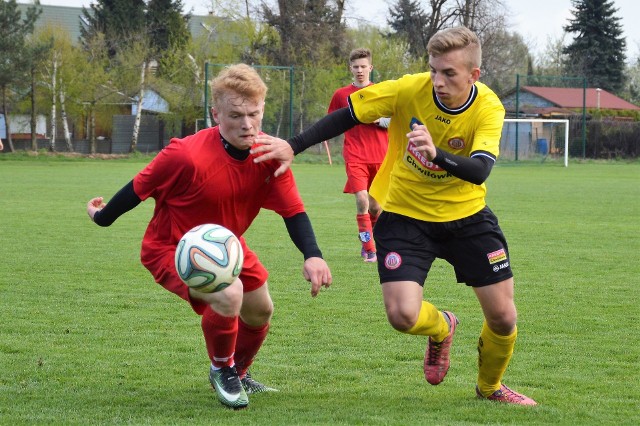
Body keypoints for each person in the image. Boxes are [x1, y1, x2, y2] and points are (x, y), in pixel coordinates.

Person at [251, 27, 537, 406]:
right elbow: (347, 115)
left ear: (474, 75)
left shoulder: (489, 106)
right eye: (434, 70)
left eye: (449, 73)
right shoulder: (408, 89)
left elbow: (480, 169)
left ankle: (489, 387)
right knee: (402, 315)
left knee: (503, 317)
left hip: (467, 217)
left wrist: (436, 154)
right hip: (405, 216)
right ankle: (442, 327)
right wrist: (293, 145)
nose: (438, 81)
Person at [86, 64, 332, 410]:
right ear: (215, 113)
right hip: (171, 247)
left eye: (254, 114)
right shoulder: (184, 155)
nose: (246, 124)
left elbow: (293, 212)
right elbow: (138, 189)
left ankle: (240, 372)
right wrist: (102, 217)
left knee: (260, 310)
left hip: (226, 246)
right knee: (229, 294)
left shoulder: (269, 157)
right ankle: (221, 369)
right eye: (235, 115)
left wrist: (313, 254)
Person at [327, 48, 388, 263]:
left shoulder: (381, 91)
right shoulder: (341, 95)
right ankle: (369, 248)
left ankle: (370, 236)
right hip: (355, 156)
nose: (360, 70)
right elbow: (331, 121)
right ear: (350, 68)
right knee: (362, 200)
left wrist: (378, 119)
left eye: (363, 66)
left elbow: (396, 119)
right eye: (356, 67)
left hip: (381, 156)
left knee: (376, 207)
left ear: (370, 67)